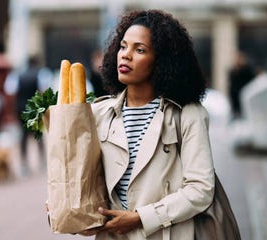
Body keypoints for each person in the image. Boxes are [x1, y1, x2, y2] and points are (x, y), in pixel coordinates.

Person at [87, 9, 215, 239]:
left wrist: (140, 218)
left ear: (162, 60)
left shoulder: (187, 114)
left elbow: (201, 189)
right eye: (123, 46)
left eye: (140, 50)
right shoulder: (99, 112)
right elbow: (88, 181)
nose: (125, 55)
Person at [228, 51, 255, 119]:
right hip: (235, 94)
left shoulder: (247, 70)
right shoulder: (234, 69)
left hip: (244, 93)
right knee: (236, 110)